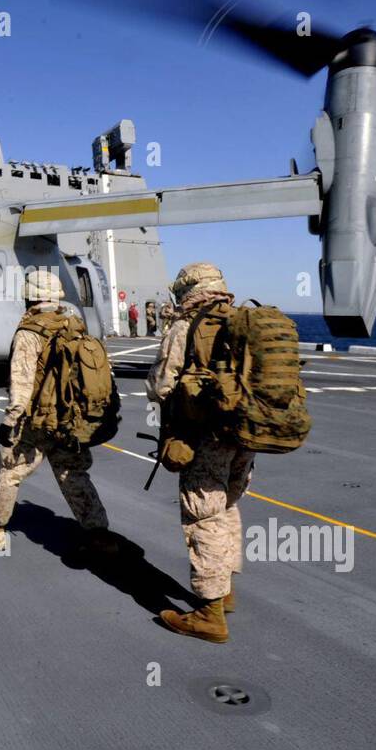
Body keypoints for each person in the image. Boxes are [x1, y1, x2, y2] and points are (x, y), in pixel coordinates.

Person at [0, 269, 119, 557]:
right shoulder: (73, 325)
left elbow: (21, 382)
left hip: (36, 422)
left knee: (10, 472)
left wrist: (9, 420)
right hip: (69, 420)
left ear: (30, 297)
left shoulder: (29, 332)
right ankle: (100, 535)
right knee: (73, 475)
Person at [146, 262, 253, 644]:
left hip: (206, 438)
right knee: (226, 507)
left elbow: (161, 386)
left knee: (202, 516)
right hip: (245, 436)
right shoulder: (242, 320)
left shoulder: (186, 326)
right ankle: (224, 591)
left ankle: (209, 613)